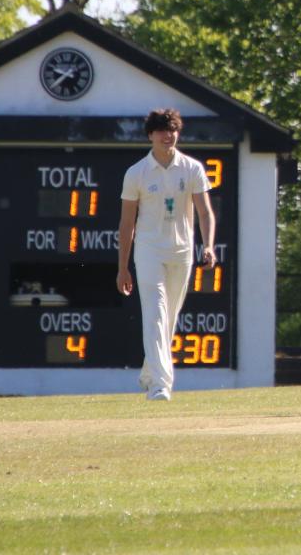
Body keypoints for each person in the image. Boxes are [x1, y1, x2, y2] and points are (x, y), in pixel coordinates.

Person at [117, 108, 217, 401]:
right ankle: (161, 385)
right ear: (150, 135)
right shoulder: (136, 173)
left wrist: (208, 245)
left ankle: (150, 373)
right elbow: (126, 223)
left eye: (172, 129)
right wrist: (123, 267)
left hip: (182, 251)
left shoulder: (192, 168)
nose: (167, 135)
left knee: (169, 318)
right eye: (161, 130)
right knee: (155, 314)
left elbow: (204, 212)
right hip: (149, 252)